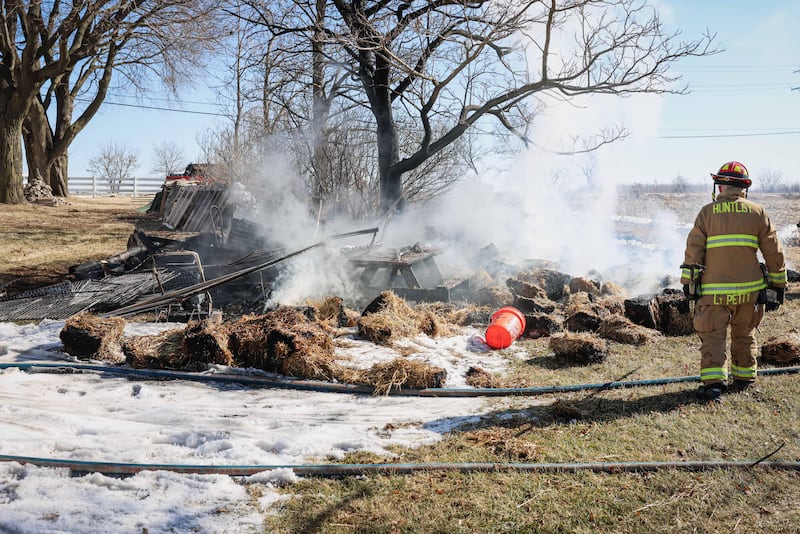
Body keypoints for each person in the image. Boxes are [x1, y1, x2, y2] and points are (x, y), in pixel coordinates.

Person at [681, 161, 787, 402]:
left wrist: (688, 284)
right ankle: (744, 378)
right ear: (743, 189)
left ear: (719, 187)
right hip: (750, 292)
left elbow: (693, 251)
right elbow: (774, 253)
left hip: (713, 292)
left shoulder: (706, 213)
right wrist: (778, 286)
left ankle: (714, 385)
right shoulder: (758, 212)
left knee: (713, 336)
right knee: (745, 333)